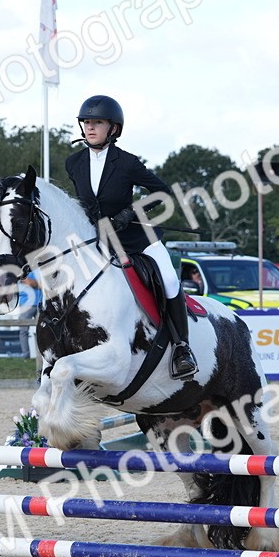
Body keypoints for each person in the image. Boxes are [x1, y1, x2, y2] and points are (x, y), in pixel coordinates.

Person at [63, 94, 197, 378]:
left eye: (97, 122)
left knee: (170, 279)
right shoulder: (73, 163)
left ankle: (182, 348)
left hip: (137, 238)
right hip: (98, 241)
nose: (89, 127)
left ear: (113, 128)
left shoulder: (127, 163)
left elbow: (162, 192)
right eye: (86, 122)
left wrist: (129, 213)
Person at [15, 271, 41, 359]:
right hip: (25, 303)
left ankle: (41, 356)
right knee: (23, 330)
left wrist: (32, 282)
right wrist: (37, 283)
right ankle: (26, 356)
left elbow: (42, 284)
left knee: (41, 331)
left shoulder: (38, 267)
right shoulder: (21, 267)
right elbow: (33, 283)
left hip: (40, 303)